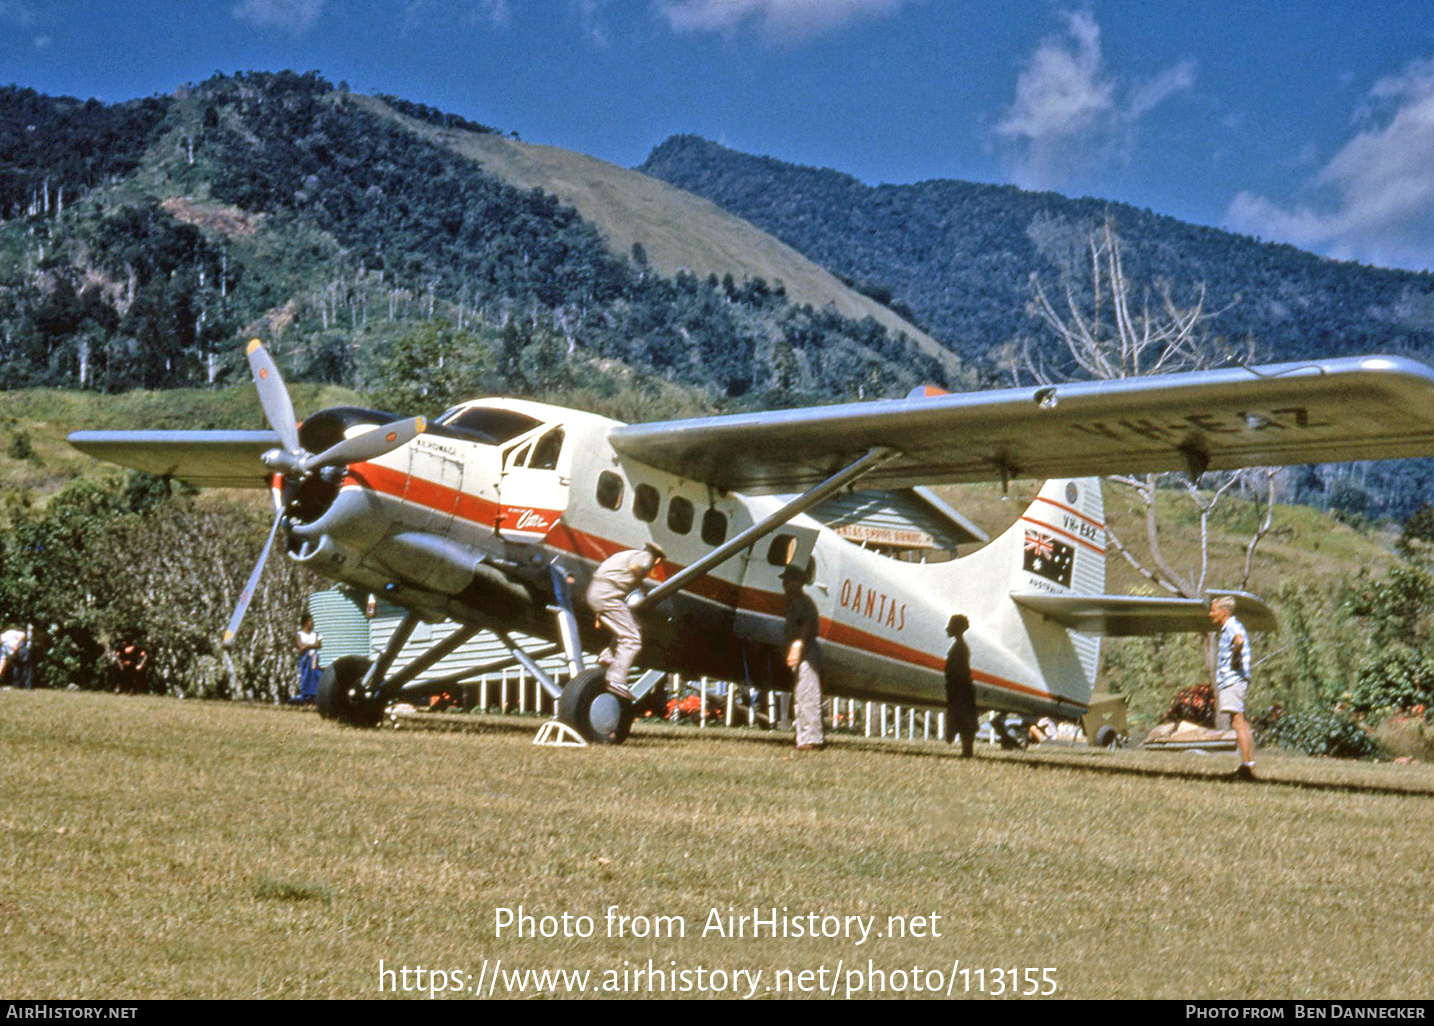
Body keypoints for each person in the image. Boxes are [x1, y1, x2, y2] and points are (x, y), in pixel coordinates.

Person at [586, 542, 665, 701]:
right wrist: (641, 583)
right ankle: (617, 679)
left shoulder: (624, 554)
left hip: (596, 593)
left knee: (633, 625)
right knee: (632, 639)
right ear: (657, 558)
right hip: (608, 597)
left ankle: (608, 656)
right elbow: (635, 568)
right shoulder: (646, 557)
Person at [1210, 596, 1256, 779]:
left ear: (1224, 612)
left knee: (1238, 723)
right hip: (1234, 681)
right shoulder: (1231, 626)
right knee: (1241, 723)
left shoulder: (1231, 627)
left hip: (1233, 681)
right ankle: (1247, 766)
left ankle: (1248, 768)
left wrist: (1236, 655)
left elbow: (1239, 640)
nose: (1210, 614)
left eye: (1213, 610)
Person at [781, 563, 824, 750]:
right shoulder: (793, 602)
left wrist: (798, 645)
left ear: (798, 583)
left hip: (806, 650)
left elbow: (806, 624)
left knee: (807, 694)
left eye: (789, 580)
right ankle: (803, 737)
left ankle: (811, 739)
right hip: (802, 649)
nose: (785, 584)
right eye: (785, 580)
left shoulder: (801, 601)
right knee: (801, 695)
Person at [943, 614, 977, 757]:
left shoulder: (960, 648)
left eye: (951, 626)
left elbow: (958, 671)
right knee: (964, 721)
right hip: (960, 689)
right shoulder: (960, 646)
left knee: (964, 721)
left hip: (959, 690)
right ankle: (966, 751)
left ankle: (967, 752)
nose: (947, 630)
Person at [294, 614, 322, 704]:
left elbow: (318, 645)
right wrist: (311, 645)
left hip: (314, 659)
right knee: (305, 676)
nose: (312, 623)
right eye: (310, 621)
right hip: (305, 659)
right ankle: (305, 695)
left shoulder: (315, 634)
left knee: (315, 676)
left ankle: (313, 695)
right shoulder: (299, 634)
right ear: (305, 623)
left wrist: (307, 645)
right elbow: (300, 647)